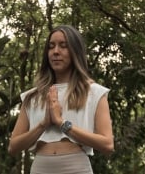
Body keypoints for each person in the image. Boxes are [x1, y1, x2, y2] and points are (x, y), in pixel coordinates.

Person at [8, 25, 114, 174]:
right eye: (51, 47)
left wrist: (62, 123)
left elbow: (107, 144)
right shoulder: (32, 96)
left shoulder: (94, 92)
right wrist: (44, 124)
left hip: (77, 169)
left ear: (75, 52)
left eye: (63, 46)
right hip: (40, 169)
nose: (56, 51)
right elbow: (13, 146)